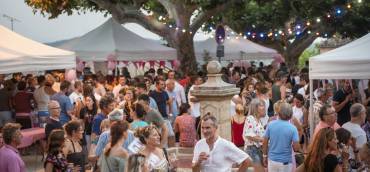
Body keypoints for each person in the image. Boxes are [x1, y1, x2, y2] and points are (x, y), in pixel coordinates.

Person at [262, 102, 301, 172]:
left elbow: (265, 142)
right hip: (286, 161)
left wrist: (264, 156)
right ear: (290, 114)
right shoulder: (293, 128)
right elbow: (296, 148)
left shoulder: (270, 125)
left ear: (278, 113)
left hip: (272, 160)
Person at [243, 99, 266, 167]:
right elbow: (249, 135)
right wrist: (263, 139)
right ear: (255, 108)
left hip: (259, 150)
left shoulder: (260, 121)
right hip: (251, 150)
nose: (264, 107)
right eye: (261, 105)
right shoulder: (250, 118)